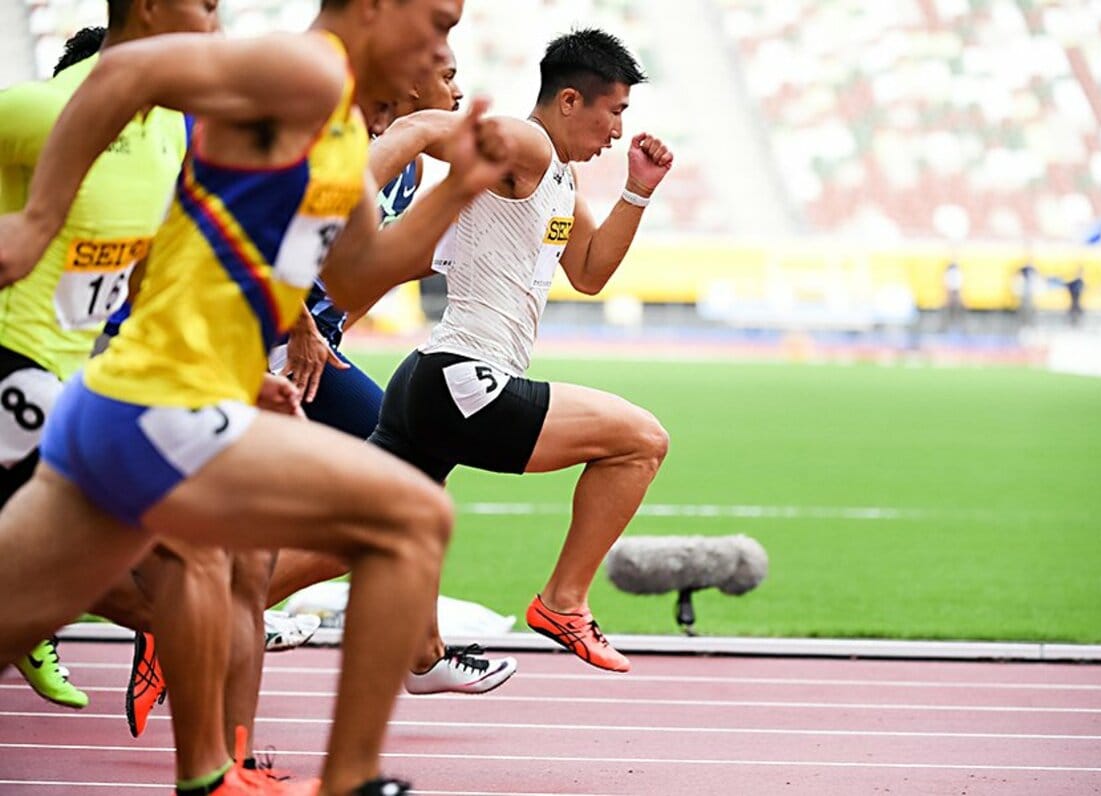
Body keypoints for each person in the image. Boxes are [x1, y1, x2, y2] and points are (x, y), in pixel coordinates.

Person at [0, 1, 511, 794]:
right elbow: (128, 69)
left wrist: (457, 190)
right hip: (155, 403)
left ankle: (211, 772)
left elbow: (356, 271)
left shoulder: (340, 126)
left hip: (134, 403)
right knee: (412, 517)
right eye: (438, 23)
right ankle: (346, 781)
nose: (444, 47)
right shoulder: (299, 69)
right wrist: (39, 220)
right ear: (374, 8)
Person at [363, 28, 674, 673]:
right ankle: (564, 600)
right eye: (613, 112)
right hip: (466, 380)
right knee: (640, 441)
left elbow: (588, 272)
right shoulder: (528, 144)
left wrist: (637, 190)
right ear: (568, 102)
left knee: (360, 532)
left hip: (429, 380)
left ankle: (181, 616)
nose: (617, 131)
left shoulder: (556, 179)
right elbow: (424, 128)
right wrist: (351, 182)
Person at [266, 49, 518, 695]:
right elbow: (269, 239)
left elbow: (367, 270)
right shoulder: (347, 143)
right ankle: (208, 604)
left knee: (408, 483)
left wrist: (331, 330)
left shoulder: (402, 169)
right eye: (449, 76)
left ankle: (421, 652)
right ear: (404, 80)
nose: (460, 94)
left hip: (303, 350)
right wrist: (301, 325)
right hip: (242, 342)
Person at [0, 0, 220, 713]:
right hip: (14, 370)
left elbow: (150, 275)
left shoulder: (168, 133)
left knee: (166, 579)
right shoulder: (40, 109)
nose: (217, 24)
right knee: (167, 568)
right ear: (151, 9)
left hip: (75, 379)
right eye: (207, 4)